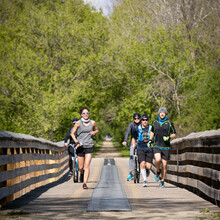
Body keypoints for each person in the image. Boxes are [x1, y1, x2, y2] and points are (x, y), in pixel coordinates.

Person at [71, 107, 99, 189]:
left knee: (87, 165)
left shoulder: (92, 122)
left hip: (89, 145)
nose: (86, 114)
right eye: (84, 113)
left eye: (87, 113)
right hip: (80, 146)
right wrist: (76, 142)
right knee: (80, 167)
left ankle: (85, 183)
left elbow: (97, 130)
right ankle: (81, 173)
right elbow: (72, 133)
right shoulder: (78, 123)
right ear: (81, 114)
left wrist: (94, 132)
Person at [149, 107, 176, 188]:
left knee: (164, 164)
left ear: (165, 113)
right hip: (156, 144)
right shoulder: (155, 122)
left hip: (166, 146)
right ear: (158, 113)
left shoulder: (169, 122)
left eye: (163, 112)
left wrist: (169, 137)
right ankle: (157, 171)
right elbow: (152, 131)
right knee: (157, 159)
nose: (162, 113)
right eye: (161, 112)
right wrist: (150, 140)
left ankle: (162, 181)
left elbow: (174, 133)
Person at [131, 114, 153, 187]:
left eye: (146, 120)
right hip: (140, 147)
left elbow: (155, 137)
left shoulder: (151, 128)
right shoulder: (137, 128)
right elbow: (133, 137)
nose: (145, 121)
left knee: (148, 166)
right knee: (142, 163)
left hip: (149, 148)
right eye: (143, 120)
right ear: (141, 121)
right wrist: (133, 144)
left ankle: (147, 171)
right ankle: (145, 180)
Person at [122, 113, 141, 181]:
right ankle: (130, 172)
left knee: (141, 156)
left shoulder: (142, 124)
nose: (136, 119)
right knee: (131, 156)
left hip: (141, 142)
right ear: (133, 119)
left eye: (138, 118)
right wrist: (125, 140)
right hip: (133, 141)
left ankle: (140, 169)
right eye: (135, 118)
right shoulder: (131, 124)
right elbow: (127, 132)